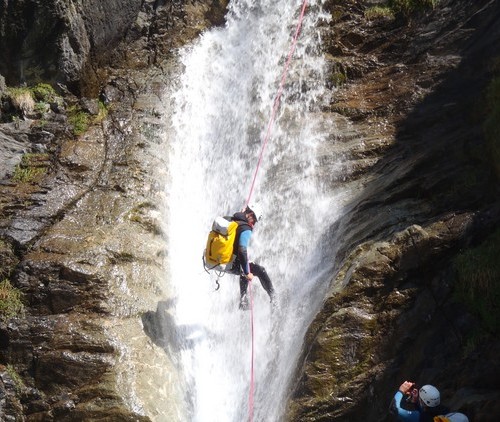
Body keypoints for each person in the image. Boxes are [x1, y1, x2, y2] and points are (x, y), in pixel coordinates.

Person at [226, 203, 276, 310]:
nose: (253, 224)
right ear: (251, 215)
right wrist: (248, 273)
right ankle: (273, 297)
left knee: (245, 266)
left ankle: (243, 299)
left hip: (218, 260)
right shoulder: (246, 228)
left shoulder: (232, 219)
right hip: (230, 263)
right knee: (259, 270)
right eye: (254, 220)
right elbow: (242, 249)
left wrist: (243, 212)